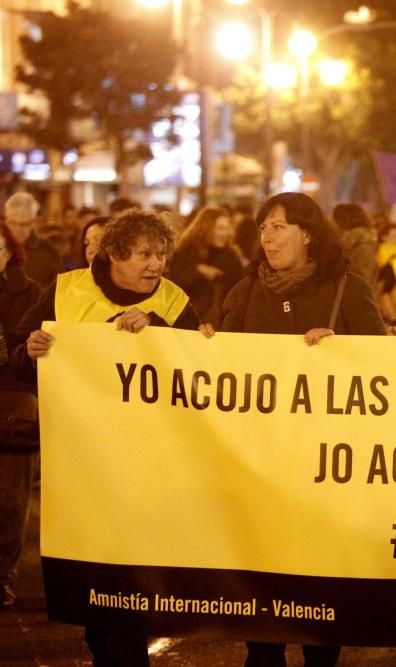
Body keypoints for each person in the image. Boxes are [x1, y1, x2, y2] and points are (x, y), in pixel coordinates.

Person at [11, 208, 200, 666]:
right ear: (114, 253)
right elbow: (18, 354)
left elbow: (201, 367)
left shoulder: (173, 301)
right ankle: (103, 643)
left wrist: (158, 331)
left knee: (133, 570)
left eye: (161, 255)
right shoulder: (65, 290)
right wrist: (29, 351)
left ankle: (128, 652)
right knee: (96, 567)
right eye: (143, 255)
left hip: (150, 462)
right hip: (82, 458)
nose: (155, 265)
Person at [211, 191, 386, 667]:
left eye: (279, 226)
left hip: (325, 471)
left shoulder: (347, 290)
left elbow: (384, 368)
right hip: (261, 465)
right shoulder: (244, 292)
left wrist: (343, 351)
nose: (267, 237)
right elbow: (218, 370)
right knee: (262, 587)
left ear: (307, 233)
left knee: (318, 592)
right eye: (263, 228)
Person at [0, 223, 42, 611]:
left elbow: (28, 352)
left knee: (11, 503)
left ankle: (2, 578)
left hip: (12, 407)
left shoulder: (28, 293)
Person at [166, 206, 244, 327]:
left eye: (227, 228)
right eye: (220, 228)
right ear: (206, 228)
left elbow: (239, 290)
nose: (225, 233)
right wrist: (197, 271)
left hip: (220, 325)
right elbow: (172, 285)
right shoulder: (185, 253)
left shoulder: (231, 257)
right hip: (187, 323)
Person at [4, 192, 60, 287]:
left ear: (33, 223)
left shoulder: (48, 252)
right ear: (6, 220)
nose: (18, 229)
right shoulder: (2, 247)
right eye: (12, 223)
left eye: (24, 224)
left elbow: (58, 290)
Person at [332, 203, 378, 290]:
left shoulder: (363, 246)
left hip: (355, 300)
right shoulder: (348, 243)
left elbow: (363, 281)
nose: (332, 223)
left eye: (334, 219)